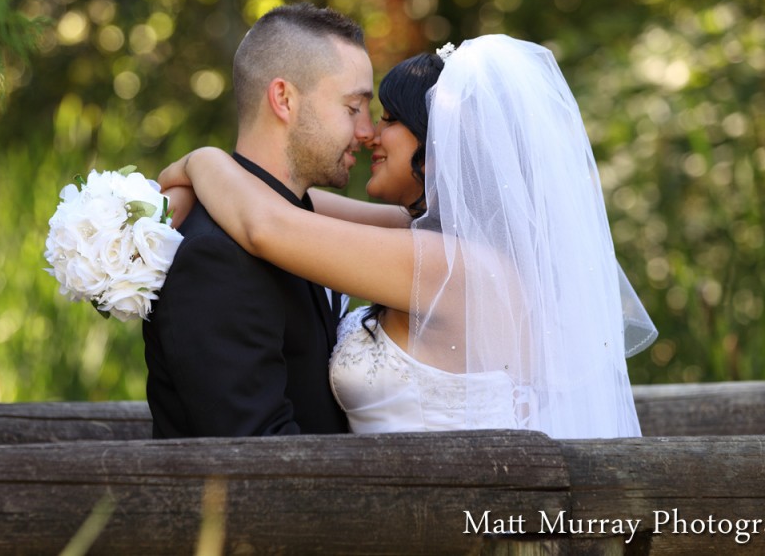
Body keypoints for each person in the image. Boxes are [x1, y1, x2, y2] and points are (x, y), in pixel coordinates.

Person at [159, 35, 658, 438]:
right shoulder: (445, 244)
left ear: (440, 144)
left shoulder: (450, 266)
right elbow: (292, 203)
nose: (371, 134)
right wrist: (195, 189)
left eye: (390, 119)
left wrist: (199, 161)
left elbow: (267, 225)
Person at [142, 3, 383, 438]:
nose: (367, 132)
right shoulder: (215, 256)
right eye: (353, 108)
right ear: (284, 99)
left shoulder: (298, 223)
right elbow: (257, 458)